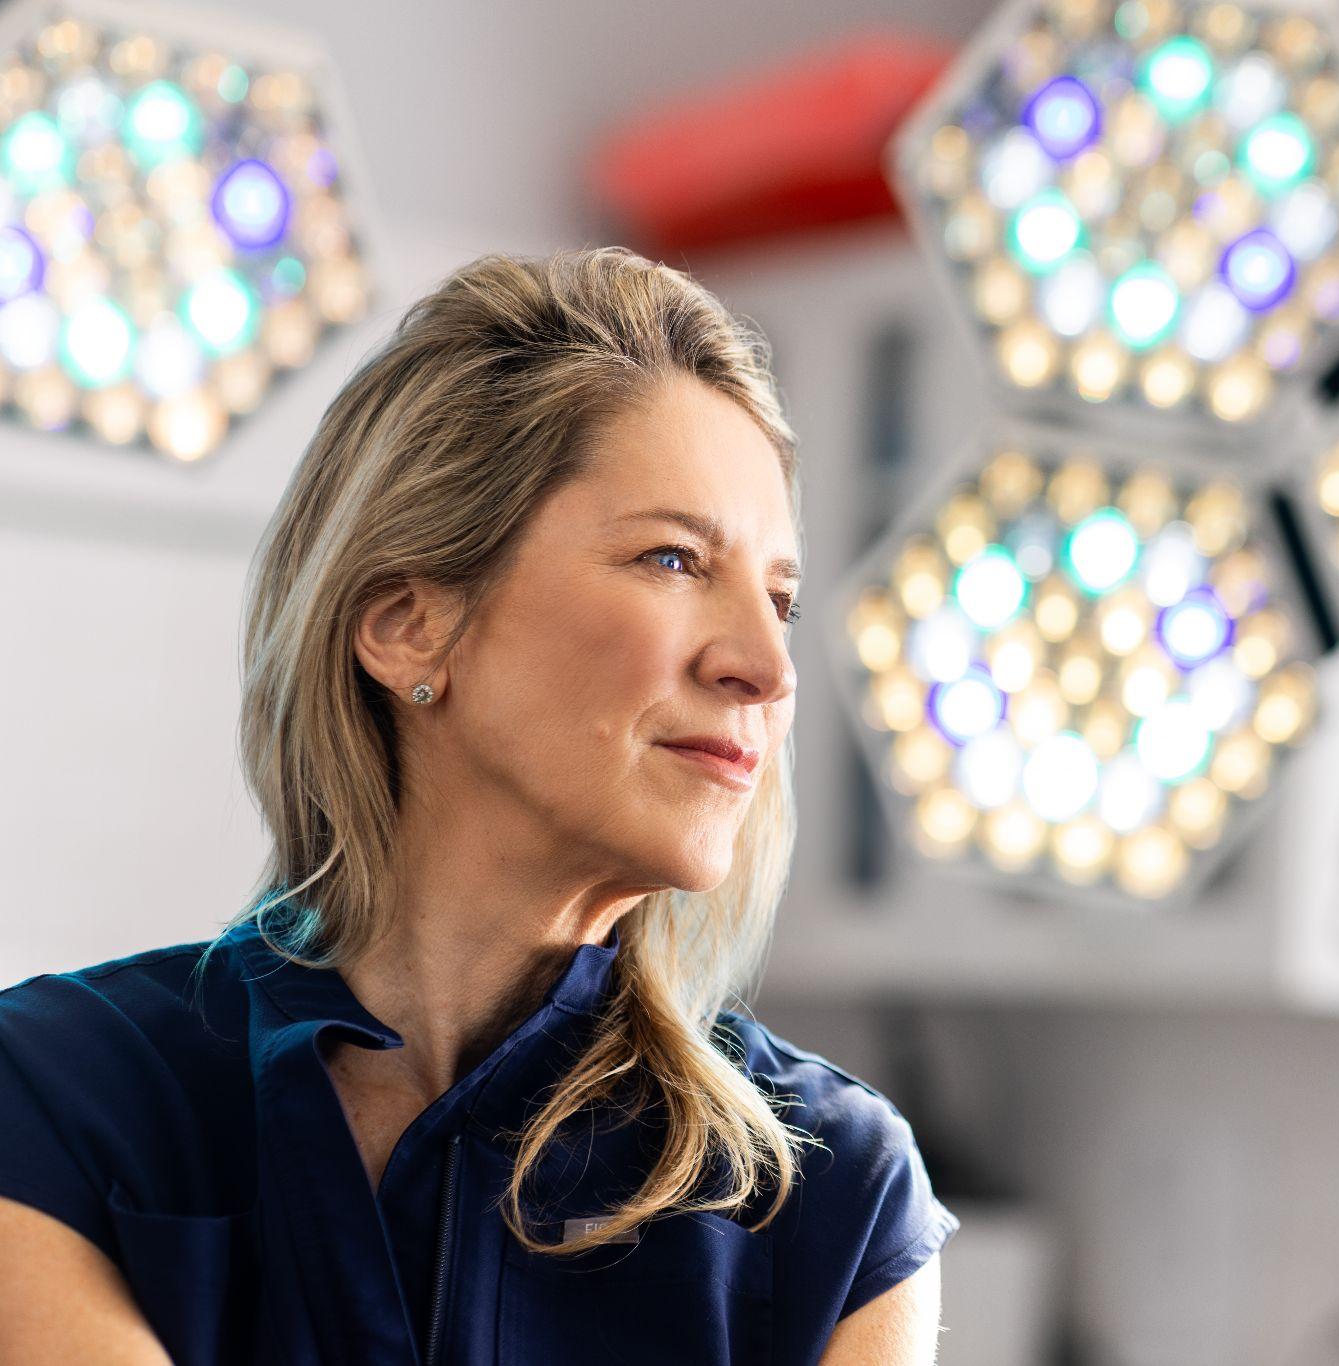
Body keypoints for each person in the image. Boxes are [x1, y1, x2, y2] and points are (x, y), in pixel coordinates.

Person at [0, 246, 957, 1364]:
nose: (766, 664)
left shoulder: (836, 1195)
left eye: (780, 599)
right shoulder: (57, 1098)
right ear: (409, 624)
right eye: (672, 559)